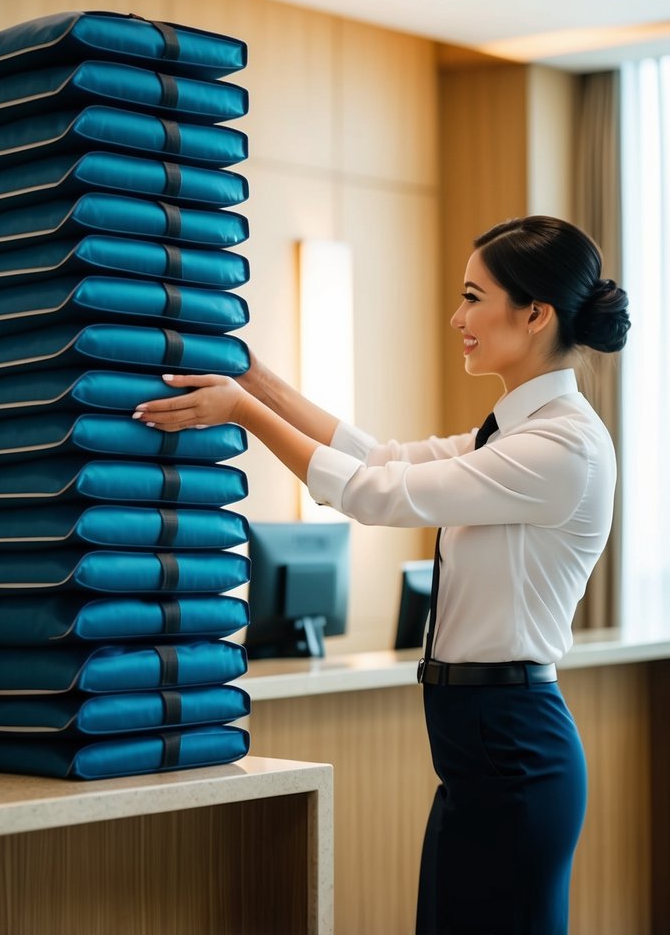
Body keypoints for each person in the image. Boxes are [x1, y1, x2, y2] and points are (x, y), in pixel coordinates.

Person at [133, 214, 630, 935]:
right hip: (481, 749)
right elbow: (378, 458)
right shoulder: (516, 433)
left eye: (472, 297)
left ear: (533, 313)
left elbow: (374, 496)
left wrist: (242, 412)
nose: (456, 317)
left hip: (513, 748)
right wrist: (254, 377)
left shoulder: (562, 447)